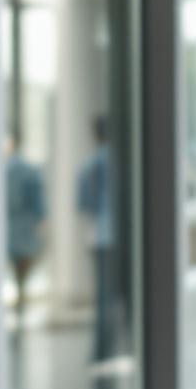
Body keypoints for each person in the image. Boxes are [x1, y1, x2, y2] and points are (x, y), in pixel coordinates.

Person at [76, 115, 120, 363]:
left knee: (103, 293)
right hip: (118, 234)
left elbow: (84, 203)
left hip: (99, 235)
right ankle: (112, 344)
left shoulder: (91, 164)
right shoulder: (118, 162)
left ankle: (102, 348)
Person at [4, 133, 48, 318]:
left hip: (11, 225)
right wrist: (41, 219)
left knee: (16, 263)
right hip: (25, 225)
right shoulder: (30, 170)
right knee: (24, 263)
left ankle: (20, 295)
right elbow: (38, 201)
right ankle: (21, 295)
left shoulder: (4, 170)